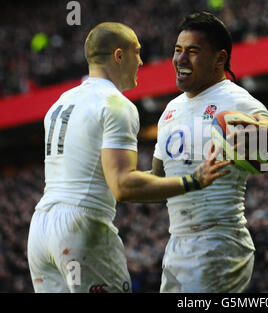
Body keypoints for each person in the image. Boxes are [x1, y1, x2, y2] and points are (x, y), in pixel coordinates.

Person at [27, 22, 231, 293]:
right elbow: (122, 185)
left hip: (41, 230)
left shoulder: (60, 103)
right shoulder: (116, 104)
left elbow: (102, 176)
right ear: (119, 55)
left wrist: (172, 175)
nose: (141, 61)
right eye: (137, 52)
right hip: (81, 228)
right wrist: (193, 181)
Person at [152, 11, 268, 292]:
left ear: (219, 58)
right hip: (177, 244)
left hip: (218, 243)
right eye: (177, 50)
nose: (181, 59)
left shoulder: (240, 105)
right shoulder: (170, 110)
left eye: (193, 51)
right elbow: (158, 182)